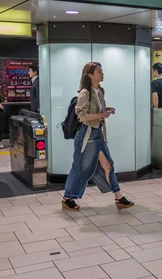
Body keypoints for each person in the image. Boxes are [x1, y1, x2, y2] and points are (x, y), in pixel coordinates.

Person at [61, 62, 135, 211]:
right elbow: (82, 116)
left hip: (98, 133)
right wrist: (102, 115)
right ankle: (67, 198)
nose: (102, 73)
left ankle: (119, 197)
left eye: (102, 71)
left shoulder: (99, 91)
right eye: (99, 71)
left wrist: (107, 110)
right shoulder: (84, 93)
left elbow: (96, 110)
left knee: (108, 165)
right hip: (86, 135)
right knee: (81, 168)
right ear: (90, 75)